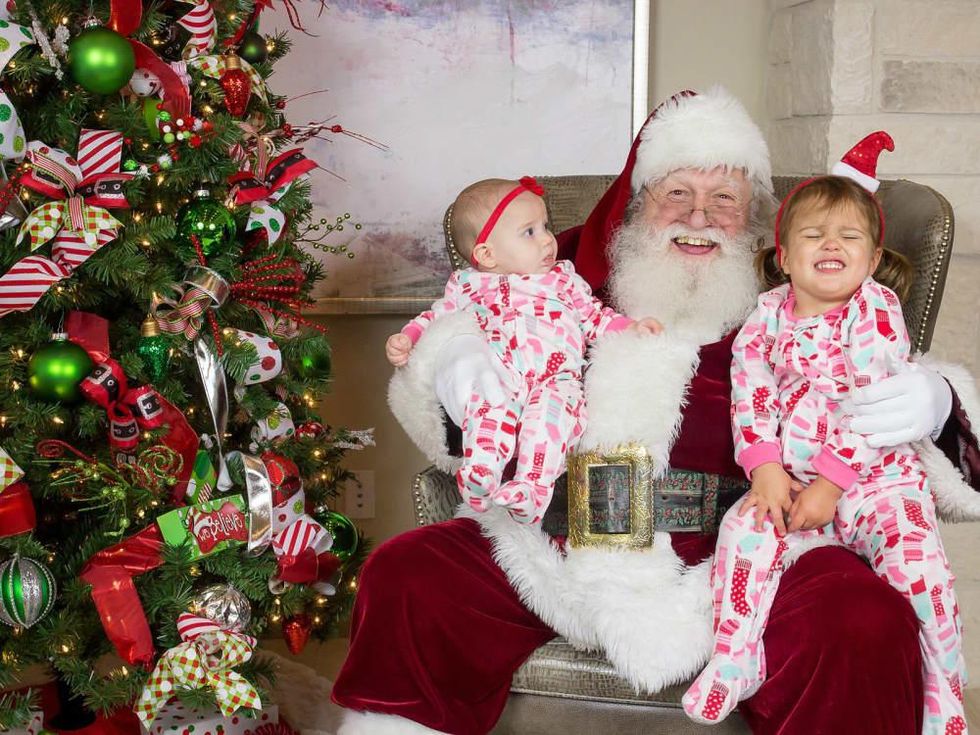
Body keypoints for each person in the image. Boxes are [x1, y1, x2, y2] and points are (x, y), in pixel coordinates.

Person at [333, 88, 980, 735]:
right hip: (558, 548)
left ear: (754, 216)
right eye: (677, 193)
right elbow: (464, 333)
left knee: (859, 619)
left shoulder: (802, 295)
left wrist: (938, 403)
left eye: (723, 200)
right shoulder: (560, 267)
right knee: (408, 575)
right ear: (640, 200)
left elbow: (879, 370)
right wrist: (453, 362)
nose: (698, 216)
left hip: (761, 550)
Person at [682, 140, 966, 734]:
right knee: (744, 531)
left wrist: (833, 487)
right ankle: (736, 656)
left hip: (876, 480)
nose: (831, 245)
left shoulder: (875, 310)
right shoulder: (767, 316)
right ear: (783, 256)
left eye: (849, 236)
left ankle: (944, 698)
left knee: (920, 573)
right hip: (794, 480)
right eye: (813, 235)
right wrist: (763, 469)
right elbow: (750, 389)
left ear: (873, 257)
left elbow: (869, 408)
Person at [385, 177, 662, 524]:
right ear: (487, 255)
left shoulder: (563, 280)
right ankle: (482, 468)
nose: (548, 239)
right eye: (529, 232)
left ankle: (532, 489)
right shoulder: (468, 286)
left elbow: (595, 317)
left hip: (555, 379)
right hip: (502, 372)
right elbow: (435, 318)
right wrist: (408, 338)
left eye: (545, 227)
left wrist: (630, 327)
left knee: (550, 424)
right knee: (488, 408)